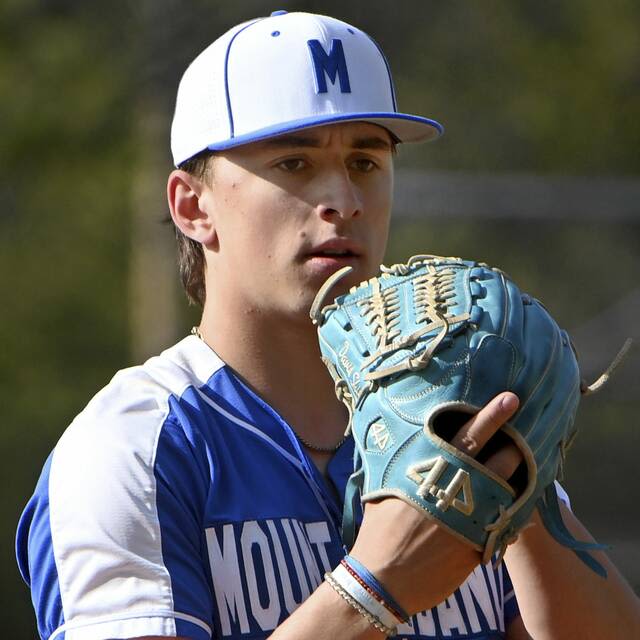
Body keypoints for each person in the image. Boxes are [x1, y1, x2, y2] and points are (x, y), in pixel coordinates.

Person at [16, 10, 640, 640]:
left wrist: (526, 496)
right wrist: (374, 590)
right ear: (192, 205)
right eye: (294, 163)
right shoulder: (134, 449)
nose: (344, 199)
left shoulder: (452, 409)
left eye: (366, 162)